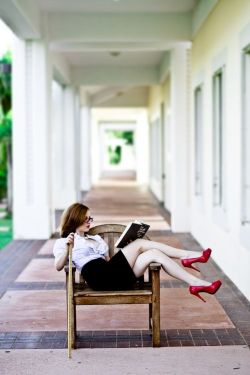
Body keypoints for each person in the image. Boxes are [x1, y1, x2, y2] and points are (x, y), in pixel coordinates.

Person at [53, 203, 222, 302]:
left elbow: (109, 262)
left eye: (91, 218)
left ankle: (196, 283)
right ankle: (187, 256)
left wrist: (126, 247)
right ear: (76, 218)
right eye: (86, 219)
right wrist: (69, 248)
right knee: (141, 243)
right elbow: (58, 267)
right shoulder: (64, 242)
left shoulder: (96, 239)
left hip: (114, 276)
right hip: (98, 278)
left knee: (154, 253)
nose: (90, 222)